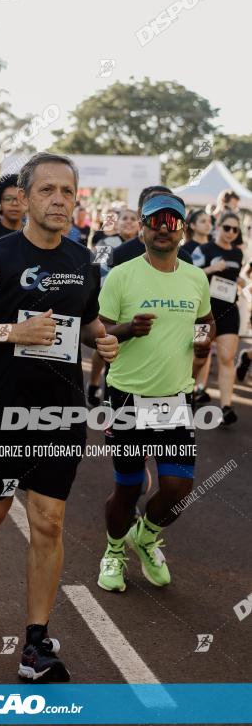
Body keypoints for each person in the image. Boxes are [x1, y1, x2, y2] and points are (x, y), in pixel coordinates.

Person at [0, 153, 118, 682]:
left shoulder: (84, 262)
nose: (59, 200)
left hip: (61, 410)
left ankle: (34, 646)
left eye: (68, 191)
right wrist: (10, 332)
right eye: (48, 191)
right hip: (1, 409)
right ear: (26, 196)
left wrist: (104, 336)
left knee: (49, 520)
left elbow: (86, 321)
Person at [97, 193, 214, 593]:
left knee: (177, 491)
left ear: (182, 230)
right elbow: (96, 332)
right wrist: (127, 329)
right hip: (128, 396)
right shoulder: (121, 276)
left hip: (174, 399)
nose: (163, 229)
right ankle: (114, 550)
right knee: (128, 489)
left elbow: (205, 321)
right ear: (143, 229)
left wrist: (202, 343)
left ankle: (143, 537)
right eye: (154, 222)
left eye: (172, 222)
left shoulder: (196, 278)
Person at [193, 211, 244, 425]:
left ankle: (226, 407)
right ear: (218, 227)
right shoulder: (203, 249)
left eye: (235, 229)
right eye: (227, 228)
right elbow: (191, 275)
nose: (231, 233)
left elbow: (234, 277)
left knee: (226, 358)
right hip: (204, 314)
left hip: (229, 312)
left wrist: (240, 281)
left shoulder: (238, 254)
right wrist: (212, 268)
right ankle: (188, 394)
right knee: (199, 357)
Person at [87, 209, 140, 406]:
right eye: (124, 218)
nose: (128, 222)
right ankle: (93, 383)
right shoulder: (107, 243)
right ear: (116, 224)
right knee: (104, 344)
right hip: (108, 301)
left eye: (133, 218)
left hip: (134, 304)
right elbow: (97, 269)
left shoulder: (146, 246)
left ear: (140, 224)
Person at [110, 185, 193, 268]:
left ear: (184, 228)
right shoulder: (116, 256)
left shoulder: (186, 260)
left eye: (171, 221)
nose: (163, 229)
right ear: (140, 214)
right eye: (155, 219)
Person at [182, 210, 213, 403]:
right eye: (203, 221)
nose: (208, 224)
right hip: (189, 304)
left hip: (214, 304)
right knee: (190, 346)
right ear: (191, 226)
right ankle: (189, 384)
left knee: (205, 344)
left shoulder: (215, 246)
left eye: (209, 221)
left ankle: (199, 386)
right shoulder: (188, 250)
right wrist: (211, 269)